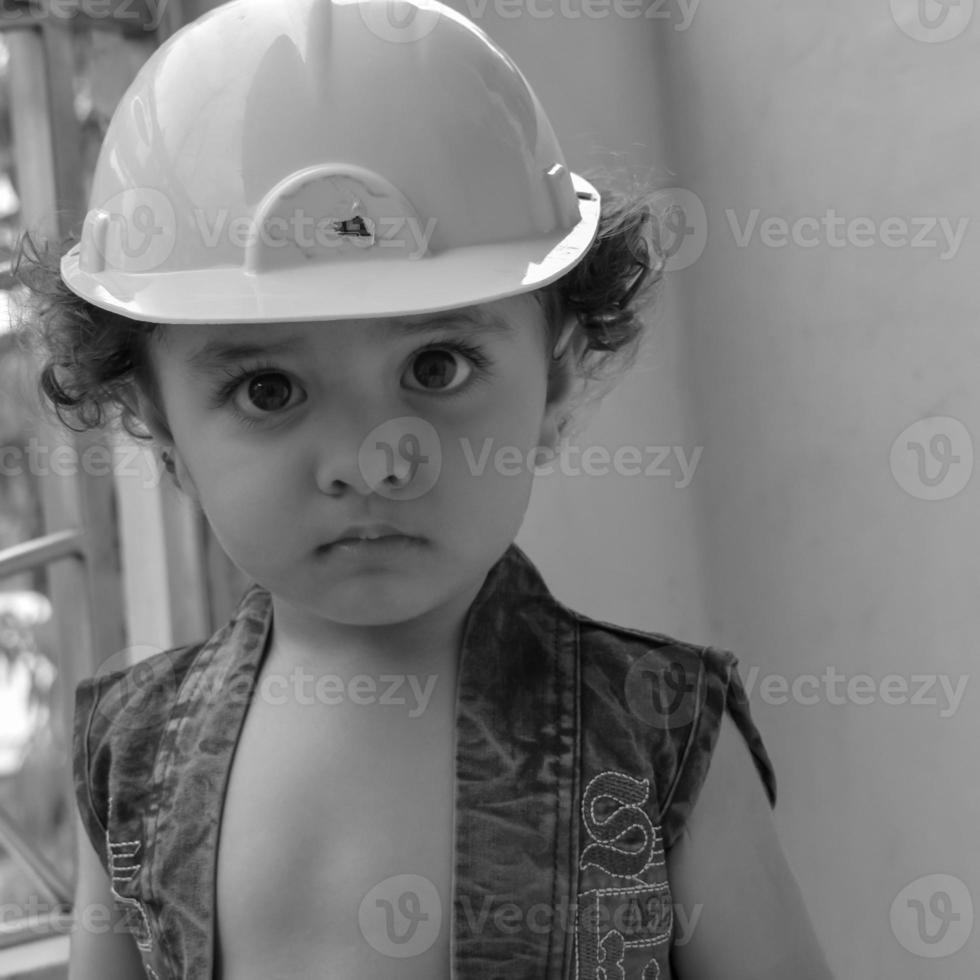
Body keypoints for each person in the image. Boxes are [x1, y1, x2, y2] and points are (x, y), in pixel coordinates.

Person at [15, 0, 835, 977]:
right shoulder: (130, 759)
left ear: (556, 382)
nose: (370, 456)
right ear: (157, 425)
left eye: (436, 366)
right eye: (268, 389)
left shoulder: (661, 741)